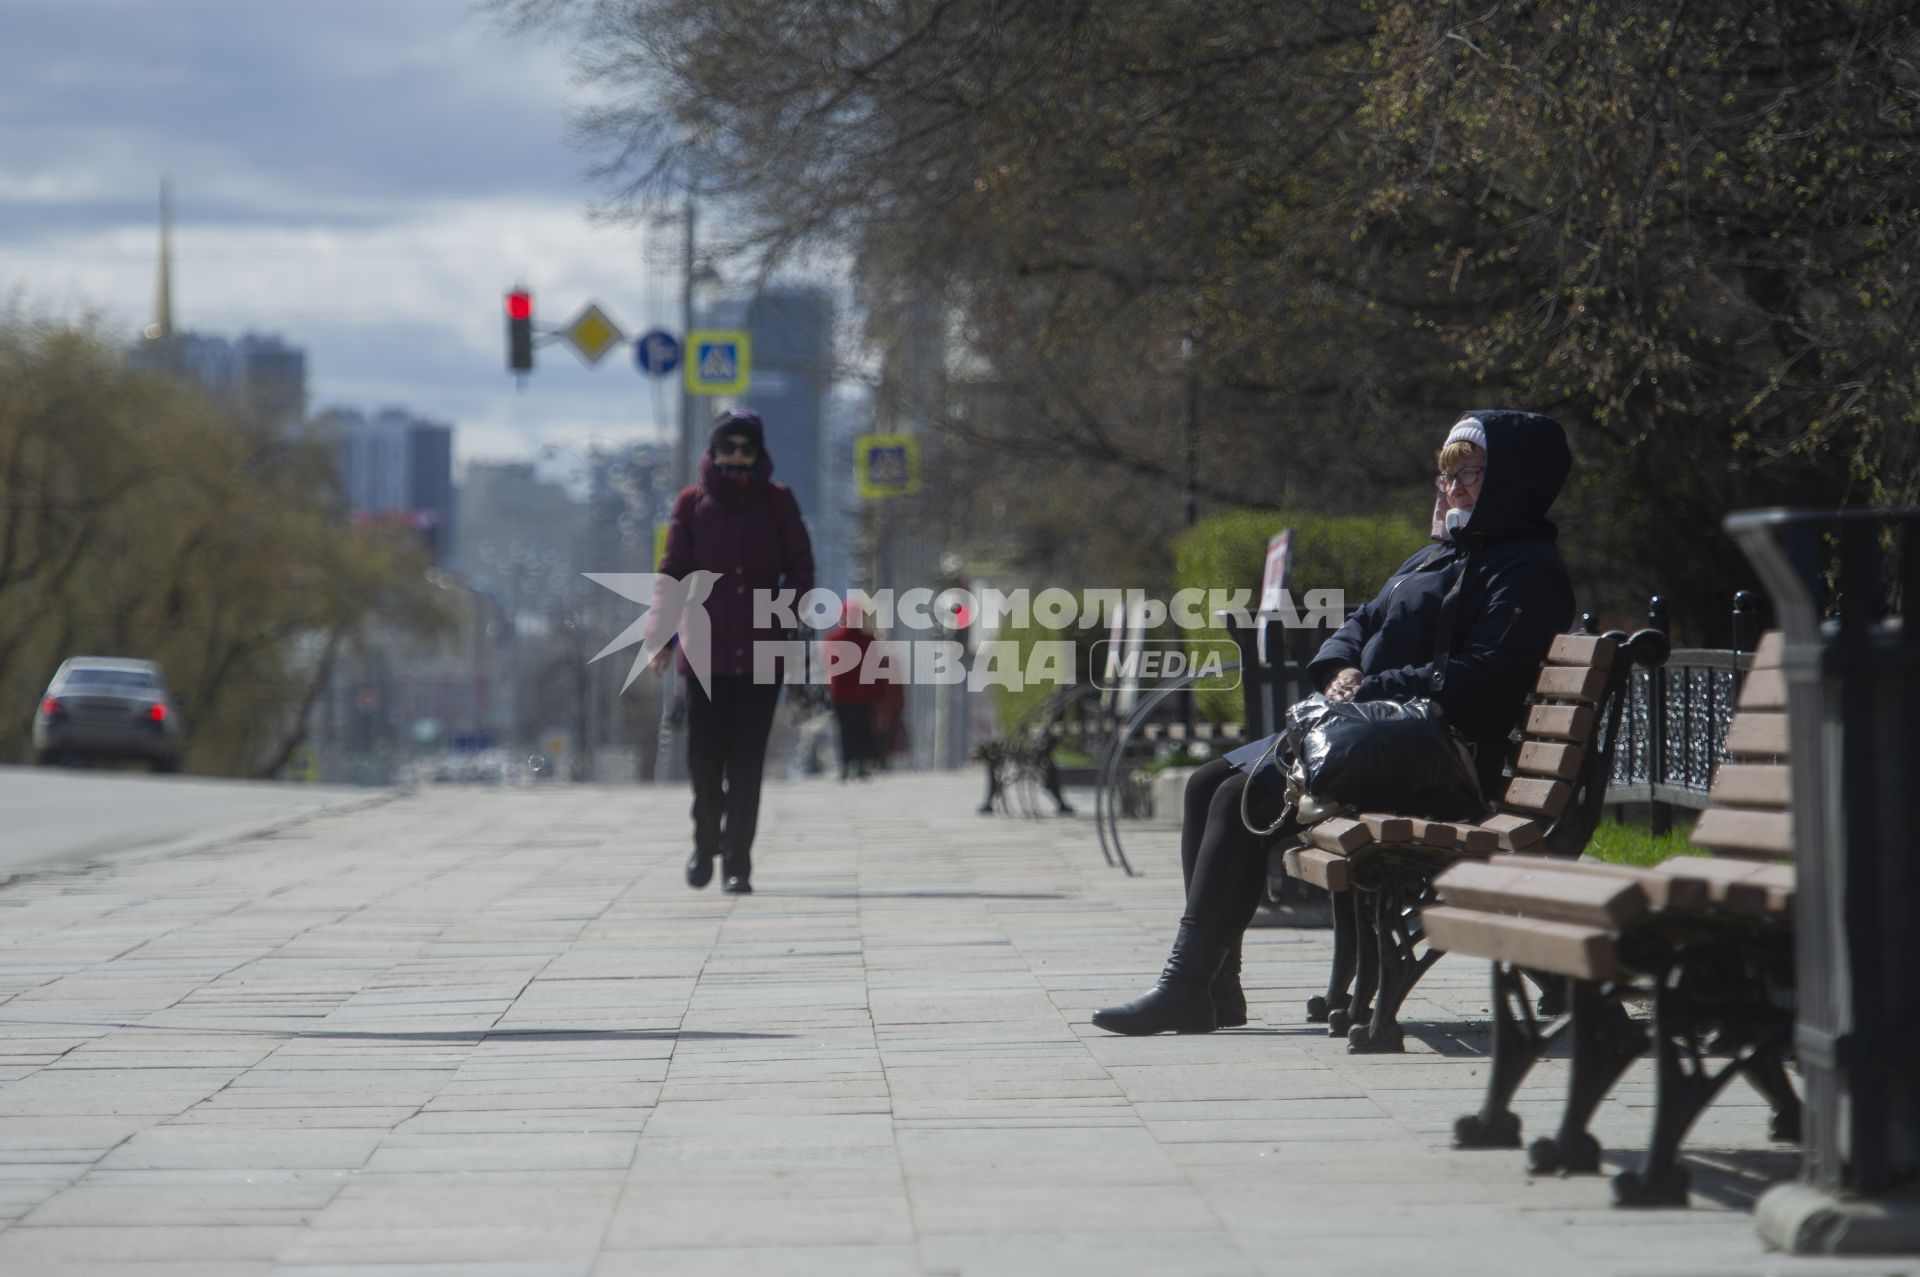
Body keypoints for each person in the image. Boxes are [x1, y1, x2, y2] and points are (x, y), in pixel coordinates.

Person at [1091, 410, 1576, 1034]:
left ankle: (1185, 985)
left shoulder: (1524, 569)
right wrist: (1340, 668)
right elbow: (1360, 623)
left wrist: (1372, 685)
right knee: (1205, 783)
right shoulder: (1436, 557)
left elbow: (1485, 676)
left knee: (1243, 796)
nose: (1450, 490)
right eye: (1445, 476)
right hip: (1376, 735)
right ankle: (1216, 989)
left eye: (1470, 475)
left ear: (1514, 481)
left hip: (1442, 761)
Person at [652, 408, 814, 894]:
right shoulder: (691, 503)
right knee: (703, 760)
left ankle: (738, 862)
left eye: (747, 448)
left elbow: (802, 569)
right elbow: (673, 572)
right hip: (704, 654)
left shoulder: (779, 503)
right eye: (729, 447)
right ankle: (706, 842)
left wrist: (785, 618)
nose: (738, 456)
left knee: (746, 763)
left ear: (759, 452)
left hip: (763, 656)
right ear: (714, 450)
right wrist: (661, 638)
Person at [825, 602, 882, 780]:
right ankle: (862, 762)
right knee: (863, 728)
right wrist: (879, 693)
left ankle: (847, 763)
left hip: (841, 695)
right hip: (864, 694)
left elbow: (828, 667)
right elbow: (876, 669)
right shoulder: (869, 640)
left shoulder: (833, 640)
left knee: (845, 730)